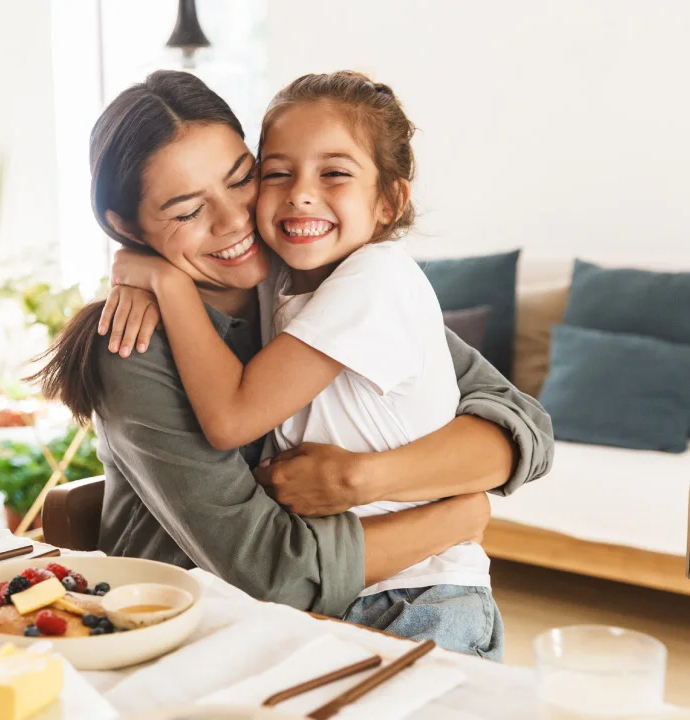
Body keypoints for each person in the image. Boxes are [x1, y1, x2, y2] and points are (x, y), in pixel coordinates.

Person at [31, 71, 552, 655]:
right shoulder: (135, 344)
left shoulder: (313, 280)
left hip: (364, 614)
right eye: (185, 211)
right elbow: (272, 576)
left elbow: (520, 422)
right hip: (194, 638)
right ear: (126, 227)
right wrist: (453, 517)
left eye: (242, 180)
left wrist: (361, 479)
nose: (232, 221)